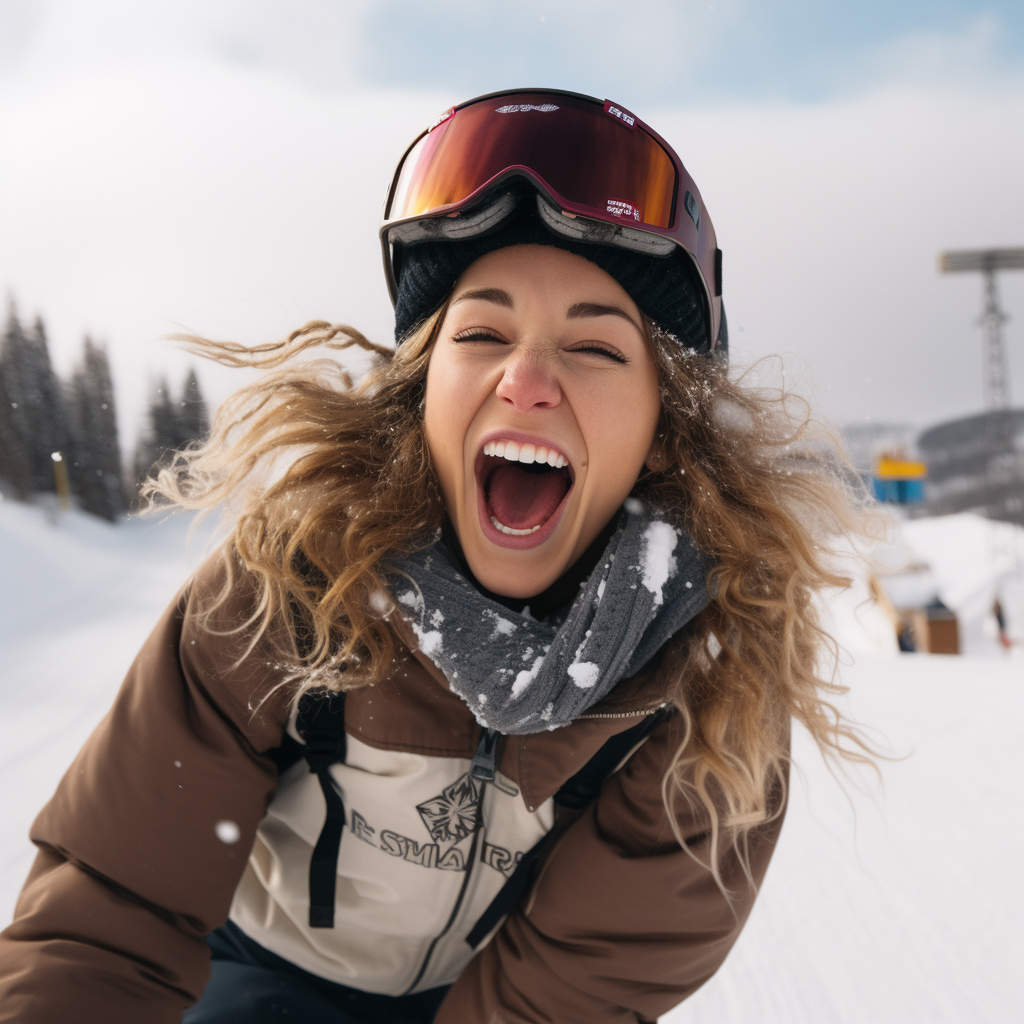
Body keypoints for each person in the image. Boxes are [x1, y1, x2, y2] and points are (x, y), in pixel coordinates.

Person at [0, 89, 869, 1023]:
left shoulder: (710, 687)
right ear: (422, 392)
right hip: (259, 970)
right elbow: (112, 911)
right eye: (482, 334)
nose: (526, 380)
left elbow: (566, 996)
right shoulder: (295, 588)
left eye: (595, 348)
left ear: (664, 433)